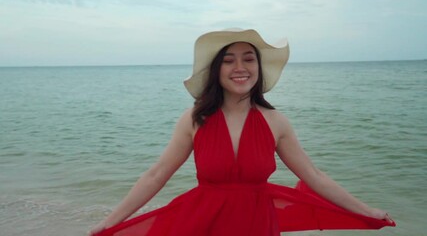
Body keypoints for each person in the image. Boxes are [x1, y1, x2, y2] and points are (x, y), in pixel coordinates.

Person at [89, 28, 395, 236]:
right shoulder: (195, 120)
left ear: (259, 68)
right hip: (202, 226)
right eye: (228, 60)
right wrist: (110, 222)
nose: (240, 67)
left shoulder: (276, 123)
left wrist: (366, 210)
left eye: (249, 59)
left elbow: (314, 176)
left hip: (258, 226)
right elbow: (156, 175)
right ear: (216, 70)